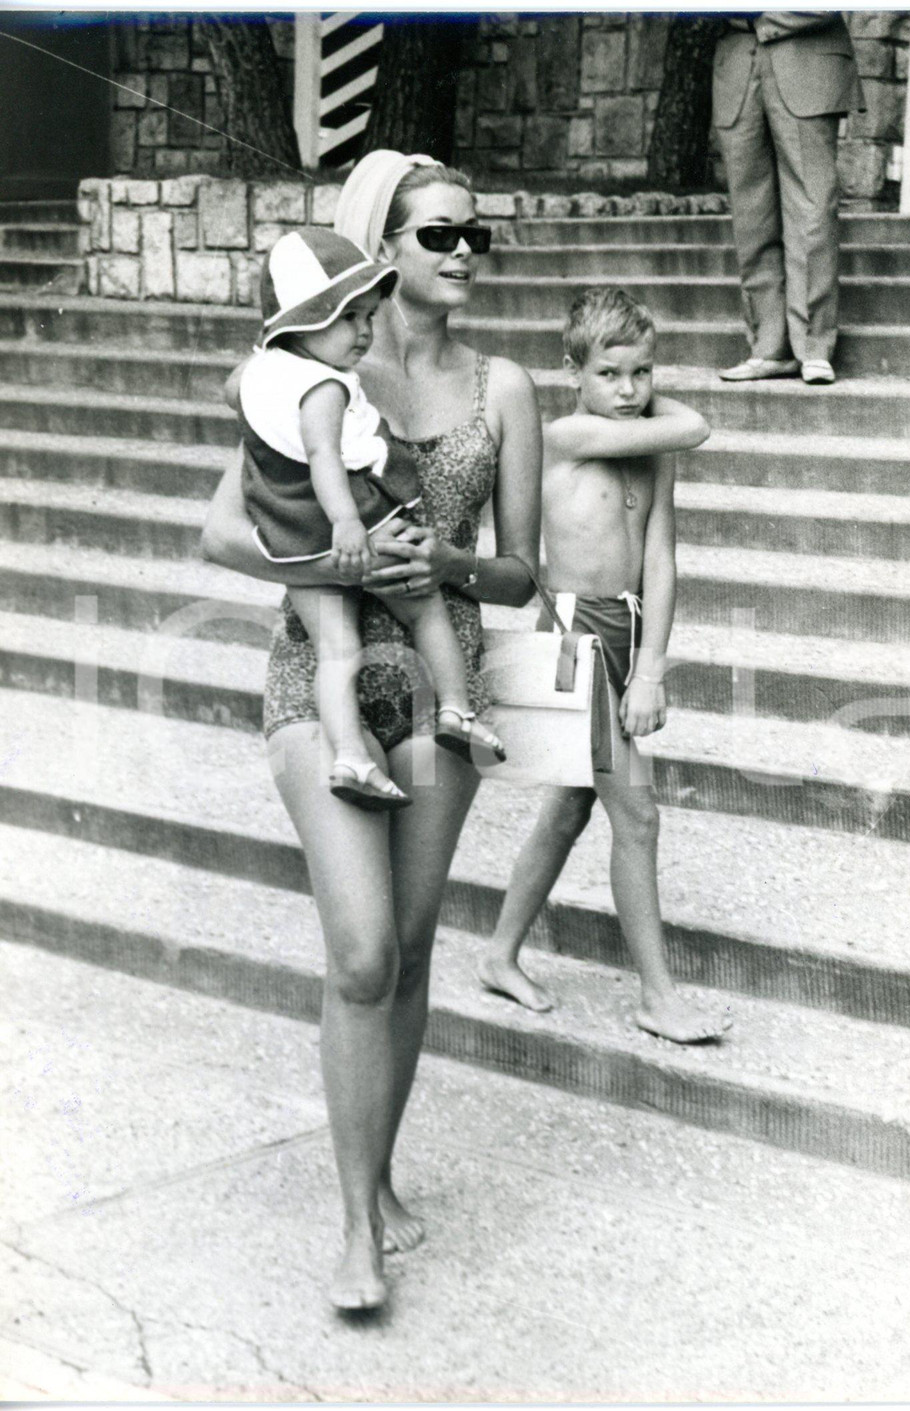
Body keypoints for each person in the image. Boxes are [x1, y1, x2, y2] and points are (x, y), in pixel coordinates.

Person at [201, 150, 541, 1311]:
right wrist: (332, 553)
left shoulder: (503, 389)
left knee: (406, 943)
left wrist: (438, 557)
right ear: (382, 247)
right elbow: (219, 537)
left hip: (443, 668)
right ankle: (354, 1229)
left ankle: (379, 1174)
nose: (462, 255)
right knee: (358, 953)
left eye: (473, 236)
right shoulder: (304, 373)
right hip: (322, 666)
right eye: (440, 234)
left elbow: (518, 574)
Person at [478, 288, 733, 1044]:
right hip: (568, 636)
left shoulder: (650, 450)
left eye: (643, 373)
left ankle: (498, 953)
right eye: (612, 374)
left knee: (570, 806)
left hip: (623, 635)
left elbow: (661, 556)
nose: (630, 391)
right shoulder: (565, 434)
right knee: (638, 811)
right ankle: (658, 995)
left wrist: (652, 663)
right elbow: (699, 423)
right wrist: (659, 413)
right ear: (574, 374)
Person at [233, 226, 504, 811]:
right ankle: (457, 710)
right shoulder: (326, 387)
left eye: (367, 316)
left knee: (337, 647)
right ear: (303, 323)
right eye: (346, 318)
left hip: (292, 542)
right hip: (352, 529)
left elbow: (237, 390)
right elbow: (327, 456)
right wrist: (348, 523)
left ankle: (350, 756)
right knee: (426, 605)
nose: (362, 331)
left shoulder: (263, 377)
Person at [712, 12, 865, 385]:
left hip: (806, 56)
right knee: (751, 213)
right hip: (737, 60)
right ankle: (768, 346)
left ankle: (813, 347)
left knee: (810, 206)